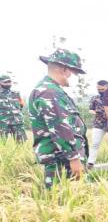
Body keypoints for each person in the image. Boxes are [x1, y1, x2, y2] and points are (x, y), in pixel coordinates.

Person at [29, 48, 87, 188]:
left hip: (62, 158)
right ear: (63, 69)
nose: (72, 76)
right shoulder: (49, 92)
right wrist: (74, 158)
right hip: (61, 160)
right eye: (72, 72)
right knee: (61, 203)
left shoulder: (51, 89)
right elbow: (60, 127)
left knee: (67, 202)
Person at [87, 80, 108, 169]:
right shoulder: (95, 98)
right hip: (98, 124)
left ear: (107, 88)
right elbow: (90, 109)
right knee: (95, 144)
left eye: (102, 89)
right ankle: (90, 163)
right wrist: (95, 112)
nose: (100, 91)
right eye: (98, 89)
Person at [0, 74, 27, 142]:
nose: (8, 83)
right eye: (5, 82)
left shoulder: (16, 93)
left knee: (22, 144)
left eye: (9, 82)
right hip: (2, 123)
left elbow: (21, 105)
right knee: (1, 144)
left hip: (17, 122)